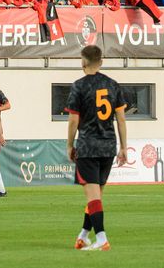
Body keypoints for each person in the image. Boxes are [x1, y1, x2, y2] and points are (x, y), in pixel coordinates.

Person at [65, 44, 127, 252]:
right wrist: (124, 147)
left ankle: (102, 239)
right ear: (100, 62)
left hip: (88, 148)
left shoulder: (79, 86)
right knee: (96, 197)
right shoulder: (113, 85)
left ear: (83, 62)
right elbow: (121, 119)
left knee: (93, 198)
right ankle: (83, 237)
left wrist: (69, 144)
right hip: (108, 147)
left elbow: (74, 120)